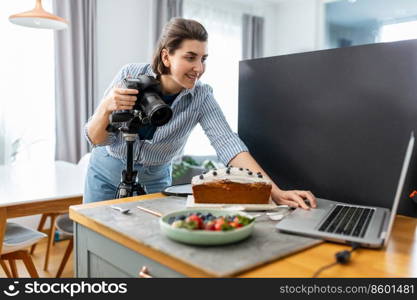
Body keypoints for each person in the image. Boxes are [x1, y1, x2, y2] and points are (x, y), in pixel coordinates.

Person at [83, 18, 317, 209]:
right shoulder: (130, 75)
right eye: (190, 57)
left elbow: (228, 144)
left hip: (155, 179)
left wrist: (274, 191)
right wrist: (105, 108)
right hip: (107, 172)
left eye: (203, 59)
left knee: (149, 247)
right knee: (94, 241)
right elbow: (97, 139)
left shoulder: (202, 96)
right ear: (166, 57)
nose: (199, 68)